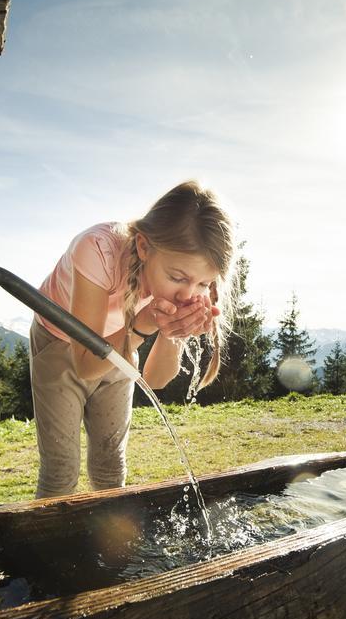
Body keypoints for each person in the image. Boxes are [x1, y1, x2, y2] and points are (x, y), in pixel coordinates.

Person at [29, 181, 235, 498]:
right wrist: (145, 323)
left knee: (111, 466)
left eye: (203, 283)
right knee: (60, 472)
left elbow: (154, 379)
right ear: (143, 247)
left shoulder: (185, 290)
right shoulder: (98, 249)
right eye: (178, 278)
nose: (188, 294)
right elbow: (84, 364)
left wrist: (171, 331)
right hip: (61, 344)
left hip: (123, 344)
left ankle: (113, 543)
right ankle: (48, 546)